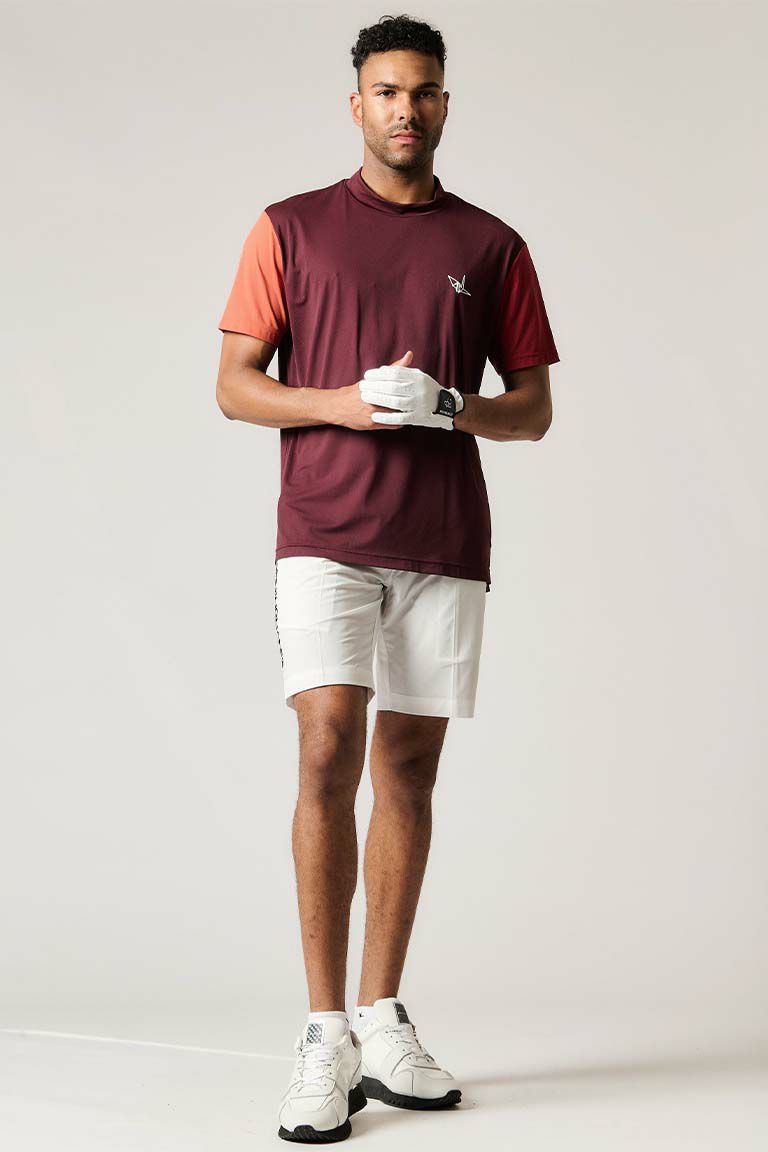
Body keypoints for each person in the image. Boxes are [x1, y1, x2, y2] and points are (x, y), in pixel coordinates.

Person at [216, 13, 559, 1144]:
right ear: (355, 104)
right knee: (327, 748)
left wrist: (451, 405)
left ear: (445, 104)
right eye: (386, 91)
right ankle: (324, 1034)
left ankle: (382, 1018)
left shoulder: (491, 245)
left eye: (424, 91)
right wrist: (344, 403)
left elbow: (534, 411)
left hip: (443, 538)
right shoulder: (290, 227)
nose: (405, 109)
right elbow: (234, 384)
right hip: (324, 530)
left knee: (408, 770)